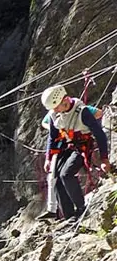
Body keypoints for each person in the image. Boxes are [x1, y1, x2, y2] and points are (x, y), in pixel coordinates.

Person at [40, 84, 111, 221]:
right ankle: (69, 216)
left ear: (65, 101)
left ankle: (81, 209)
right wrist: (48, 158)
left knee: (66, 174)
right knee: (56, 177)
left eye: (56, 107)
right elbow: (52, 137)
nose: (54, 110)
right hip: (68, 146)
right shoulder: (55, 114)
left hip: (83, 147)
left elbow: (100, 135)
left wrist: (104, 159)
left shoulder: (82, 112)